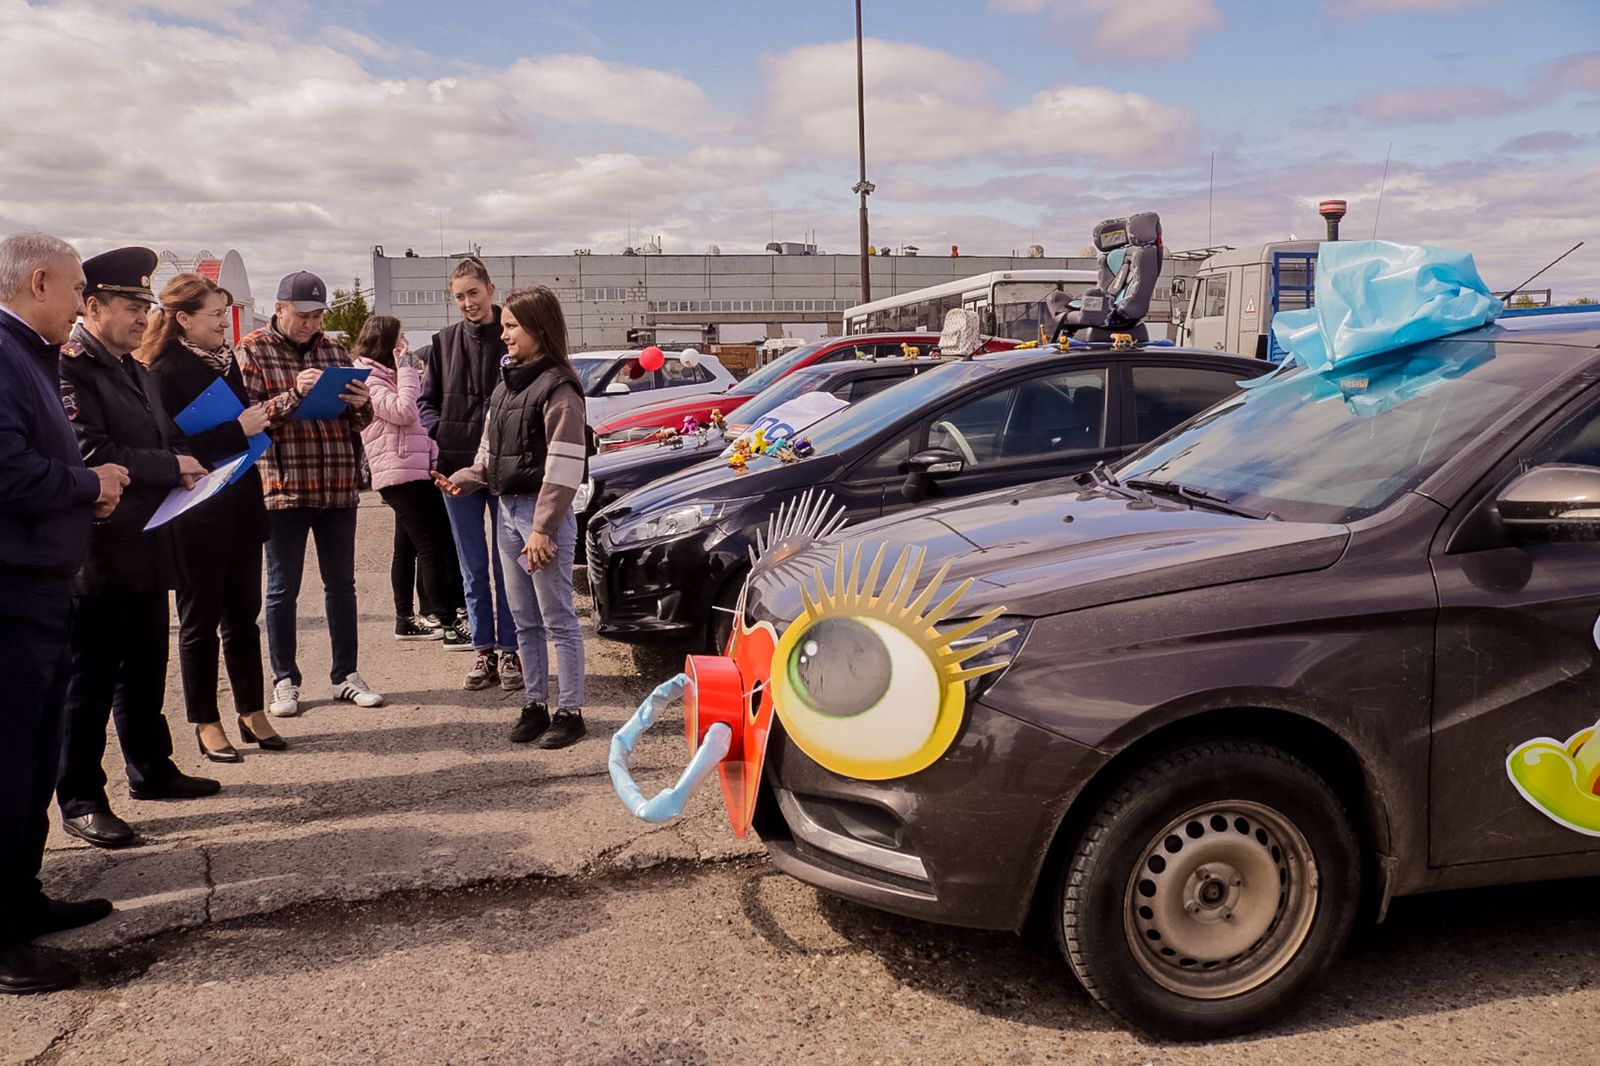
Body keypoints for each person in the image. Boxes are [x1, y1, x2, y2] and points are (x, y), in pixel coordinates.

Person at [56, 247, 220, 851]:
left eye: (145, 305)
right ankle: (80, 797)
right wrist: (168, 465)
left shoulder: (133, 367)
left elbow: (158, 436)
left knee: (146, 668)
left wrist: (181, 465)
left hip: (149, 542)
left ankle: (152, 769)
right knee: (90, 679)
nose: (140, 316)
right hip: (99, 551)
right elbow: (88, 453)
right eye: (130, 306)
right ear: (92, 306)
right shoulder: (70, 368)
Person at [0, 233, 124, 993]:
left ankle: (22, 901)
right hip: (10, 594)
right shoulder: (4, 352)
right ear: (39, 281)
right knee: (8, 765)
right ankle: (5, 941)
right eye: (78, 288)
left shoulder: (27, 353)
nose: (83, 301)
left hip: (40, 588)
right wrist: (90, 483)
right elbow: (8, 469)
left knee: (33, 759)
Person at [141, 272, 286, 759]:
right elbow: (170, 449)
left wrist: (255, 424)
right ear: (183, 320)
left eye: (225, 315)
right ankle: (205, 720)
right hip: (197, 513)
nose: (225, 324)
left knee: (244, 618)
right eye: (216, 316)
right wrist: (237, 429)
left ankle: (251, 710)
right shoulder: (162, 371)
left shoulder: (226, 362)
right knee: (199, 622)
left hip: (241, 503)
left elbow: (240, 425)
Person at [438, 286, 587, 748]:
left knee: (557, 615)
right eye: (503, 328)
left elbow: (564, 466)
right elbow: (491, 450)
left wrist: (543, 527)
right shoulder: (508, 383)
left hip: (541, 519)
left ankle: (571, 711)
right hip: (506, 514)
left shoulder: (560, 388)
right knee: (523, 618)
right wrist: (468, 475)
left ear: (539, 329)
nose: (503, 335)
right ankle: (535, 704)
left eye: (511, 327)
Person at [237, 270, 383, 715]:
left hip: (336, 484)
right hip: (284, 485)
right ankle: (285, 679)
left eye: (317, 315)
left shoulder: (335, 350)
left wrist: (362, 404)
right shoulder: (252, 351)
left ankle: (346, 675)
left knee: (342, 584)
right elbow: (247, 419)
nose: (310, 323)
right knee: (282, 588)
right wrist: (291, 396)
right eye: (303, 314)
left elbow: (362, 421)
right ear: (279, 307)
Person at [419, 257, 523, 693]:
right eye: (459, 296)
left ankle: (511, 650)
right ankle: (484, 651)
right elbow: (426, 403)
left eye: (473, 294)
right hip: (456, 470)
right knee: (472, 566)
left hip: (507, 468)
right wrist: (441, 432)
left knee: (509, 567)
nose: (467, 303)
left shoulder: (515, 334)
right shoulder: (442, 343)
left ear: (490, 289)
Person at [350, 315, 468, 647]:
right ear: (385, 341)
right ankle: (448, 624)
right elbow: (405, 411)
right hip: (399, 471)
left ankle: (405, 620)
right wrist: (406, 368)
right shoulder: (370, 378)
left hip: (413, 468)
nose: (404, 344)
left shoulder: (388, 374)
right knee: (434, 545)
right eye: (399, 338)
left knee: (407, 548)